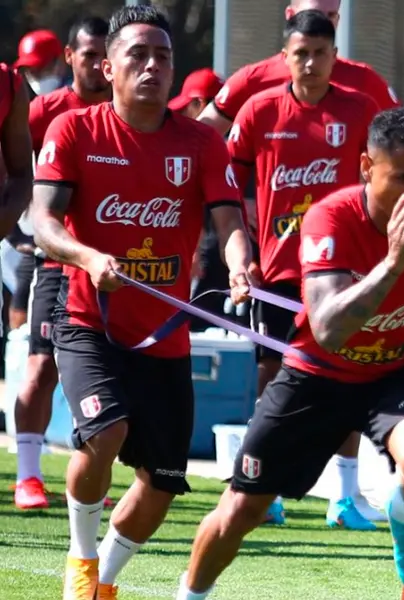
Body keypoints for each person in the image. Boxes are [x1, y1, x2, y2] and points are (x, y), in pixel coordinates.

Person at [175, 106, 404, 600]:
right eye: (402, 178)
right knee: (241, 511)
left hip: (396, 372)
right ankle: (189, 595)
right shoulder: (329, 218)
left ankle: (401, 514)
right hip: (317, 375)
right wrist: (394, 265)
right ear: (365, 168)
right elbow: (330, 328)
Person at [27, 7, 255, 599]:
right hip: (87, 319)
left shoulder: (202, 141)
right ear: (108, 66)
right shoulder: (75, 131)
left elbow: (229, 219)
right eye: (138, 55)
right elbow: (43, 221)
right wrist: (86, 257)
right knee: (106, 433)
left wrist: (238, 264)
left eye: (164, 56)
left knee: (161, 486)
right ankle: (80, 563)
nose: (153, 66)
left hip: (165, 337)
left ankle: (105, 578)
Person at [197, 0, 400, 526]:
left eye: (321, 53)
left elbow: (384, 178)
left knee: (348, 370)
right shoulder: (260, 109)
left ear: (336, 55)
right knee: (273, 372)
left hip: (343, 267)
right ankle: (270, 488)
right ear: (285, 57)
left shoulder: (359, 108)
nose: (311, 63)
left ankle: (345, 496)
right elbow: (227, 179)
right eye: (301, 54)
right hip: (280, 267)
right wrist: (245, 244)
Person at [11, 15, 112, 512]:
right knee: (40, 366)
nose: (97, 65)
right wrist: (15, 224)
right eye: (87, 55)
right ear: (69, 57)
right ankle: (28, 474)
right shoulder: (45, 110)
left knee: (110, 372)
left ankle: (97, 475)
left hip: (119, 267)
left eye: (103, 55)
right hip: (55, 262)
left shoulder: (130, 113)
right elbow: (10, 164)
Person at [198, 0, 398, 137]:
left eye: (331, 15)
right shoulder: (253, 81)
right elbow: (197, 138)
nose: (324, 24)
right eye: (315, 14)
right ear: (290, 15)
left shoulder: (363, 80)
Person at [15, 29, 67, 96]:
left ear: (62, 60)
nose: (36, 76)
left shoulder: (81, 95)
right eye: (29, 71)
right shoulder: (30, 104)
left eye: (40, 67)